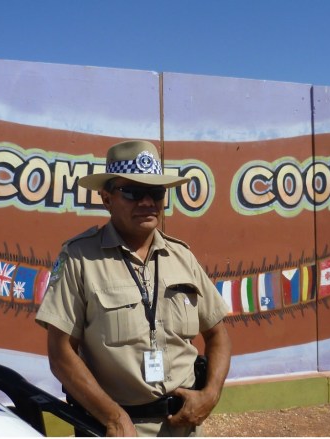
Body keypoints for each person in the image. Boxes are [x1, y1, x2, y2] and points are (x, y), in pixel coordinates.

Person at [35, 140, 232, 437]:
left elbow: (218, 335)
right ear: (106, 198)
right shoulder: (80, 258)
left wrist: (211, 394)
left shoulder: (182, 257)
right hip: (112, 430)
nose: (146, 202)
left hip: (182, 427)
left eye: (155, 193)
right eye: (132, 192)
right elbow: (60, 353)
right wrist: (113, 418)